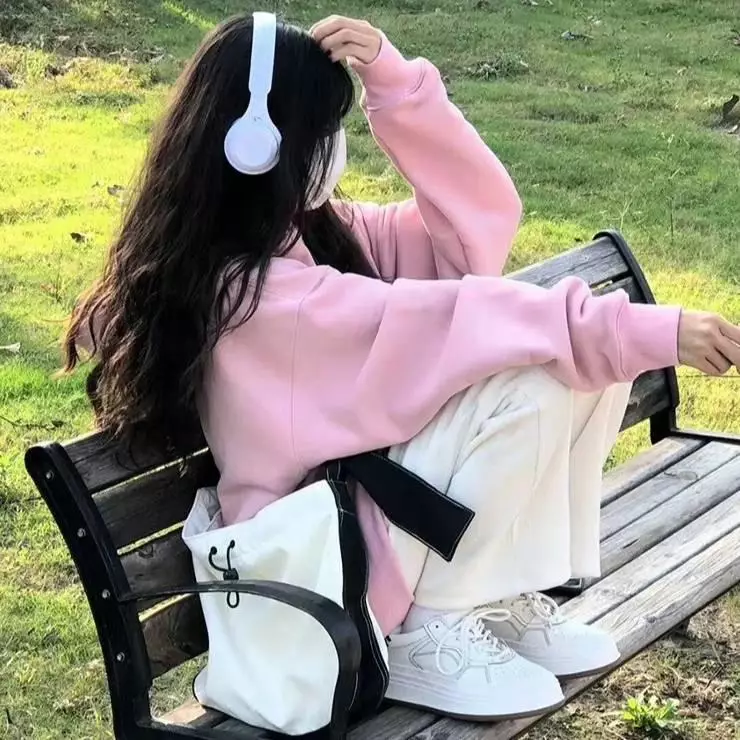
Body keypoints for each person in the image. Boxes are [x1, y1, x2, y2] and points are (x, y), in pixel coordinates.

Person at [65, 12, 740, 721]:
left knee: (580, 367)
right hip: (323, 564)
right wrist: (648, 329)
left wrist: (396, 84)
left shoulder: (305, 234)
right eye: (323, 130)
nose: (334, 148)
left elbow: (476, 223)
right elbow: (450, 319)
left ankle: (484, 595)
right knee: (534, 379)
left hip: (360, 519)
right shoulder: (251, 297)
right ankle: (427, 628)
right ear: (257, 143)